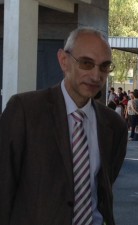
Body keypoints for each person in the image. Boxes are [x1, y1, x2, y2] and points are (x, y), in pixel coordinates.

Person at [0, 27, 128, 225]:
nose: (96, 76)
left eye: (104, 66)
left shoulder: (114, 126)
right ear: (63, 61)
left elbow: (102, 190)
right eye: (87, 63)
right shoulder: (25, 111)